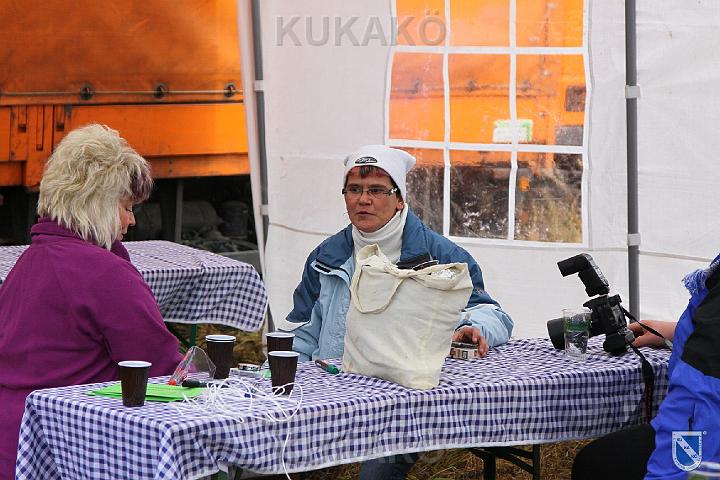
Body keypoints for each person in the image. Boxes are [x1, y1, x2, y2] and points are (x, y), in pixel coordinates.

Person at [278, 145, 513, 479]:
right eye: (354, 189)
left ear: (400, 198)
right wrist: (280, 386)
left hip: (404, 398)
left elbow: (493, 313)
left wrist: (472, 326)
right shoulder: (326, 257)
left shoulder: (438, 254)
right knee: (283, 464)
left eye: (376, 190)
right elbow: (302, 334)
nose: (363, 200)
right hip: (333, 390)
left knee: (376, 475)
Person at [0, 124, 183, 480]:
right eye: (126, 207)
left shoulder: (29, 262)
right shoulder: (104, 273)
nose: (132, 220)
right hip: (71, 451)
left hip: (15, 445)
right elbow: (161, 368)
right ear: (99, 205)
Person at [572, 258, 720, 479]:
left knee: (595, 464)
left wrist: (666, 473)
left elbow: (701, 399)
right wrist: (674, 330)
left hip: (704, 437)